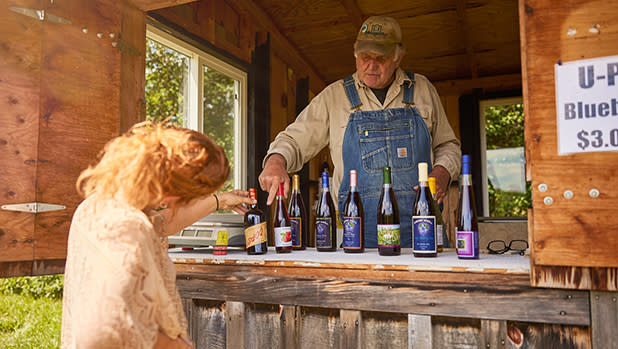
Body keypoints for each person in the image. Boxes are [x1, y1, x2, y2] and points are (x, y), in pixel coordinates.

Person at [259, 16, 461, 248]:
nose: (371, 66)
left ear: (398, 57)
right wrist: (276, 162)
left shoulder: (423, 90)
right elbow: (292, 140)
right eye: (365, 57)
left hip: (422, 230)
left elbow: (448, 146)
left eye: (380, 58)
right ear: (355, 53)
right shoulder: (333, 97)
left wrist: (443, 171)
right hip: (354, 236)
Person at [61, 121, 256, 348]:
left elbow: (162, 223)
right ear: (172, 194)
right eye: (190, 196)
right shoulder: (129, 227)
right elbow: (102, 331)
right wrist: (175, 345)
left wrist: (219, 200)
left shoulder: (96, 206)